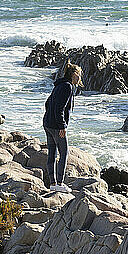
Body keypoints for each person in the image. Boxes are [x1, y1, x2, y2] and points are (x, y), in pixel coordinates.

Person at [42, 62, 83, 193]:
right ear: (73, 74)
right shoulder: (67, 87)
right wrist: (62, 126)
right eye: (79, 75)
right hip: (55, 126)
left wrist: (50, 118)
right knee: (64, 152)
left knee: (52, 154)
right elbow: (60, 108)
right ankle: (59, 183)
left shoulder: (59, 85)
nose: (80, 78)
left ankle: (53, 183)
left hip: (48, 124)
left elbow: (47, 103)